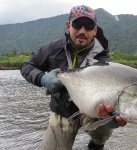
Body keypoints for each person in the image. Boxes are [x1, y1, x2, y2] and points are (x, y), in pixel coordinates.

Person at [20, 4, 126, 150]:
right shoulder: (52, 48)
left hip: (91, 110)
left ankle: (96, 144)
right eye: (77, 25)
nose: (82, 31)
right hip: (62, 110)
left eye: (88, 26)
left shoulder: (102, 59)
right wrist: (41, 78)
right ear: (68, 26)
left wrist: (111, 117)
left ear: (94, 30)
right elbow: (26, 66)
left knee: (104, 126)